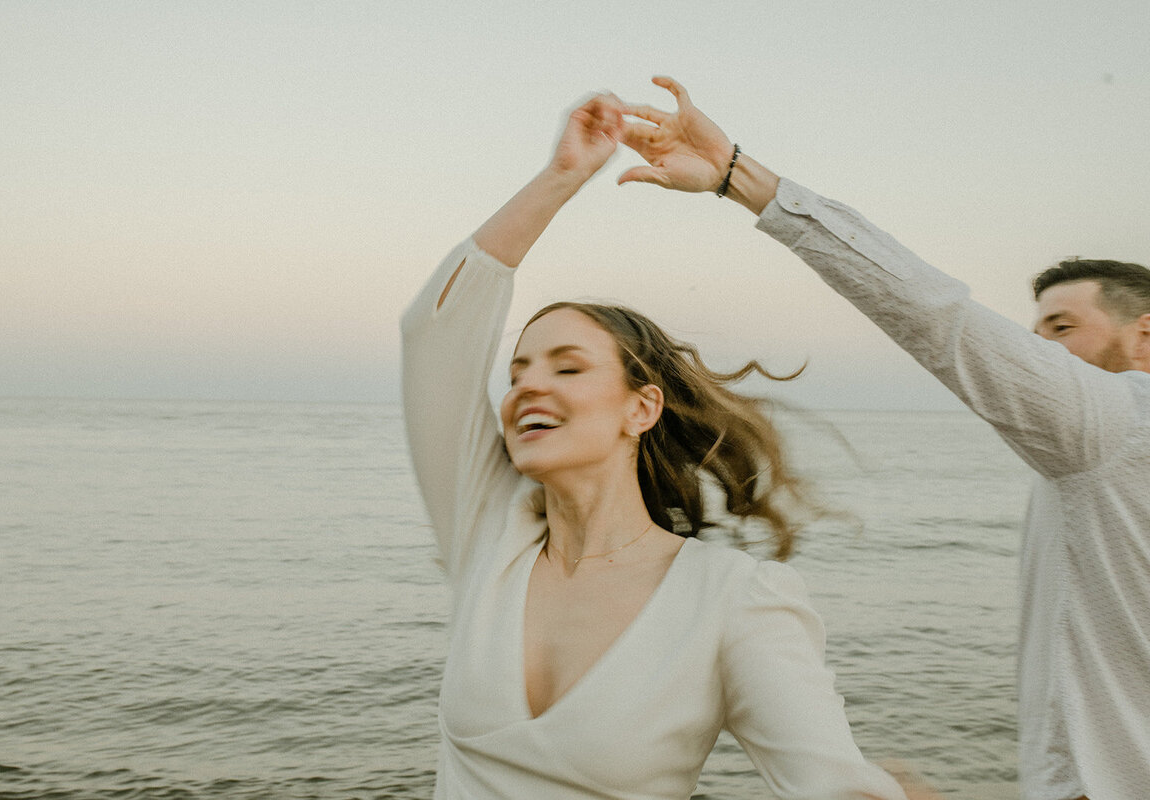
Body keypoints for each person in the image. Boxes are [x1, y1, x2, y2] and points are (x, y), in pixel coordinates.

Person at [614, 76, 1150, 800]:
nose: (1039, 355)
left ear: (1144, 337)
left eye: (1061, 332)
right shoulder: (1094, 467)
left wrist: (744, 180)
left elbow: (937, 318)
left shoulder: (1114, 423)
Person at [400, 93, 924, 798]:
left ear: (641, 408)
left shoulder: (732, 600)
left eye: (567, 366)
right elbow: (436, 335)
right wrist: (560, 177)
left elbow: (829, 787)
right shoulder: (488, 532)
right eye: (517, 371)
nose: (526, 388)